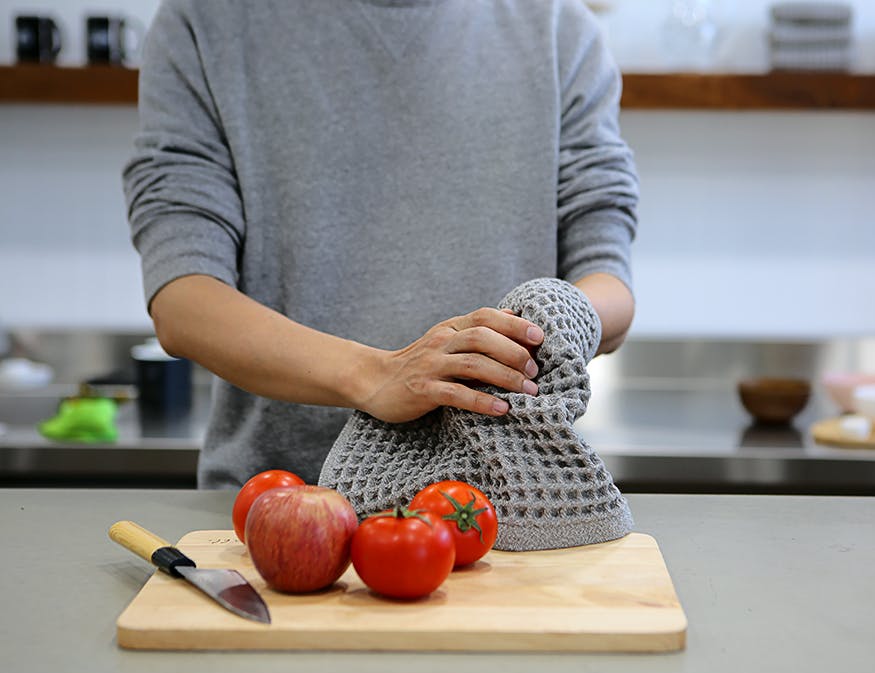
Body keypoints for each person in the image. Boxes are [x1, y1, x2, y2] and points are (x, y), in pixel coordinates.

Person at [123, 0, 639, 489]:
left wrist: (537, 323)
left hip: (512, 505)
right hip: (277, 501)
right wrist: (376, 375)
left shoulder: (559, 27)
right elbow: (183, 299)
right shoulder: (207, 20)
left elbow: (608, 283)